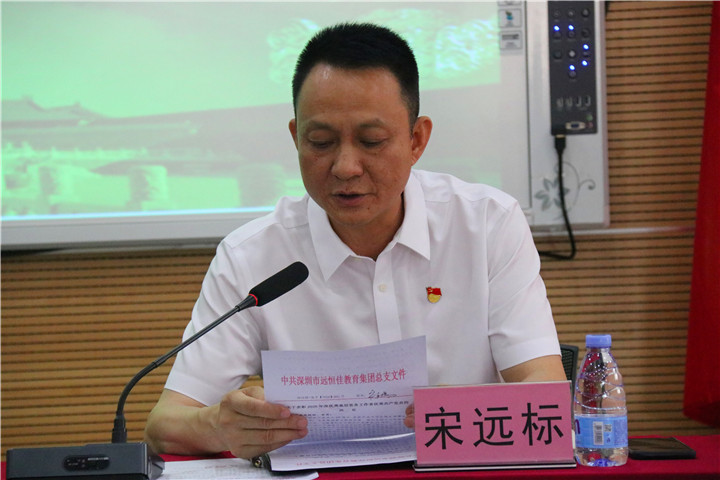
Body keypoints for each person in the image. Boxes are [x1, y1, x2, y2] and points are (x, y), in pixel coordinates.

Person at [144, 22, 566, 460]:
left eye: (372, 141)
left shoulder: (487, 224)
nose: (346, 167)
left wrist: (459, 412)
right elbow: (164, 424)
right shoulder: (250, 256)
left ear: (417, 139)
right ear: (295, 137)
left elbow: (545, 389)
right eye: (321, 142)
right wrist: (220, 427)